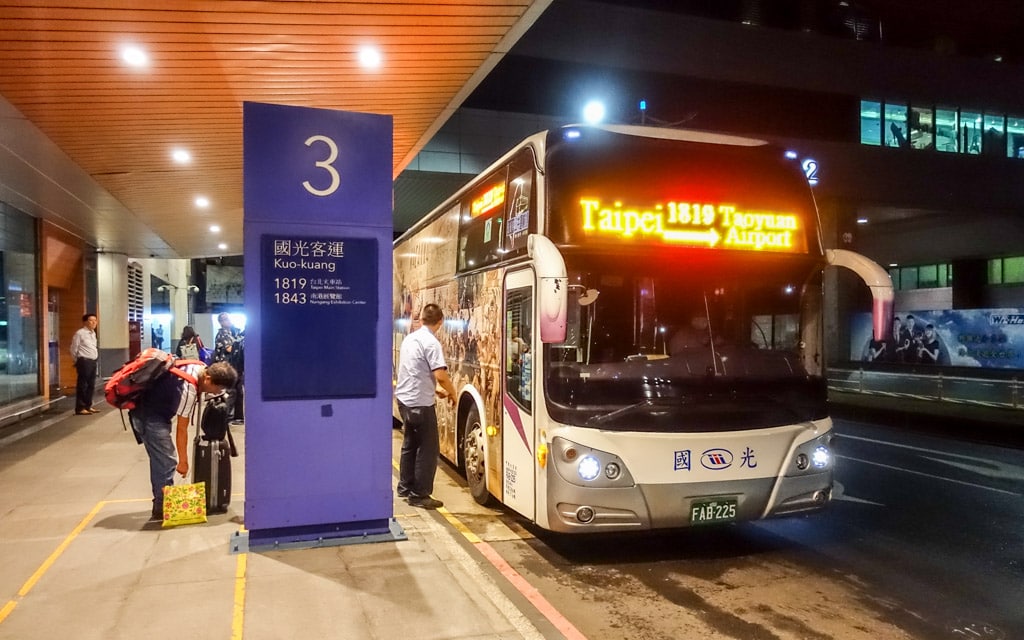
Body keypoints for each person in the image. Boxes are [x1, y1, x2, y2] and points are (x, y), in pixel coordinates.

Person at [129, 361, 238, 521]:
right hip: (148, 417)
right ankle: (162, 507)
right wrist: (183, 461)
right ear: (208, 379)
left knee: (162, 460)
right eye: (218, 388)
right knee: (166, 461)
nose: (217, 392)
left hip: (154, 413)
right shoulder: (188, 387)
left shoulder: (199, 367)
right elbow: (182, 428)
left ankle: (162, 503)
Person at [394, 303, 457, 509]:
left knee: (410, 443)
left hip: (404, 401)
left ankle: (405, 487)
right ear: (440, 322)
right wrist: (452, 392)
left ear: (421, 319)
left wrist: (434, 390)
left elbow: (415, 370)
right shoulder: (431, 342)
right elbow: (440, 375)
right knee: (429, 448)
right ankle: (420, 495)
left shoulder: (410, 339)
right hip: (420, 404)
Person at [213, 313, 244, 422]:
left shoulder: (232, 332)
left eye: (229, 318)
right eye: (226, 319)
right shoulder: (222, 334)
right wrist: (240, 342)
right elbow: (230, 349)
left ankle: (238, 417)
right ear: (221, 322)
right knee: (230, 392)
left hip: (234, 366)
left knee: (239, 391)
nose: (229, 321)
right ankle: (224, 416)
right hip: (226, 367)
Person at [70, 313, 100, 415]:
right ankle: (80, 407)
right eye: (91, 320)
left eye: (95, 320)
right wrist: (77, 360)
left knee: (91, 385)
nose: (94, 323)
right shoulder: (80, 333)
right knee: (83, 385)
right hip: (84, 361)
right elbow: (74, 348)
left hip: (92, 361)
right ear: (85, 322)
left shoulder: (93, 333)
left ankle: (88, 405)